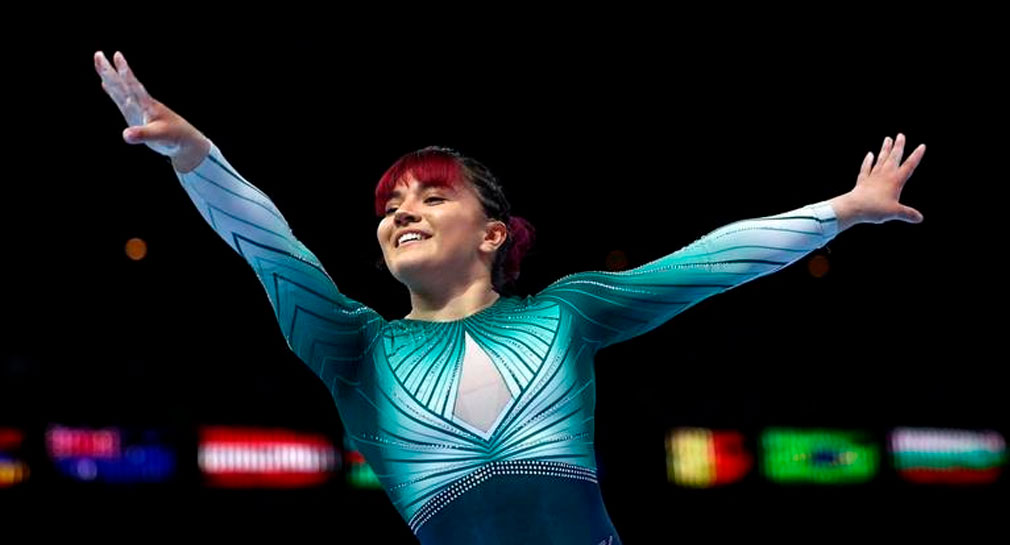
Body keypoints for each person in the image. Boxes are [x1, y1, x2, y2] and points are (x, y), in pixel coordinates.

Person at [95, 50, 926, 544]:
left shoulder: (564, 313)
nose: (401, 213)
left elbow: (706, 263)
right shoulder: (354, 349)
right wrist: (197, 155)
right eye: (390, 206)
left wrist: (839, 212)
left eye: (430, 197)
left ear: (493, 233)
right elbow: (270, 246)